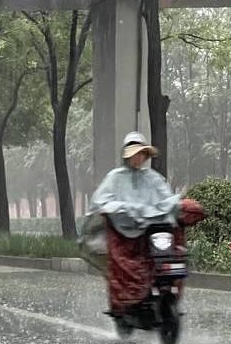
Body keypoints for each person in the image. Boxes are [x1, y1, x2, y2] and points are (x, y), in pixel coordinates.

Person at [87, 132, 203, 316]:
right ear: (127, 155)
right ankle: (128, 304)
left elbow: (166, 198)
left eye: (141, 154)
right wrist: (123, 209)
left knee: (175, 255)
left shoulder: (153, 178)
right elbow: (100, 202)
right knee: (126, 263)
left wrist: (180, 205)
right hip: (127, 234)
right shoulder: (114, 178)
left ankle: (165, 294)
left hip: (154, 231)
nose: (138, 158)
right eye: (134, 154)